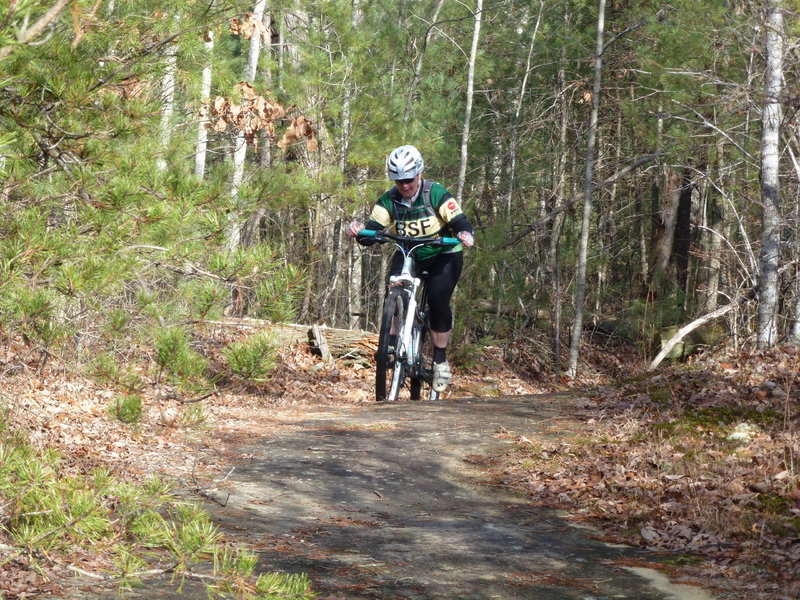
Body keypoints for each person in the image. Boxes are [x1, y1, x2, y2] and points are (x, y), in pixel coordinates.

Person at [347, 145, 474, 393]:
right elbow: (372, 230)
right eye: (398, 181)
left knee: (438, 301)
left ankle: (440, 358)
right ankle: (391, 345)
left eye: (408, 179)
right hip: (409, 253)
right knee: (393, 290)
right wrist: (359, 231)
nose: (404, 185)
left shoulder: (435, 193)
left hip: (443, 254)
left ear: (419, 173)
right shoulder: (389, 200)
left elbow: (459, 220)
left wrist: (464, 233)